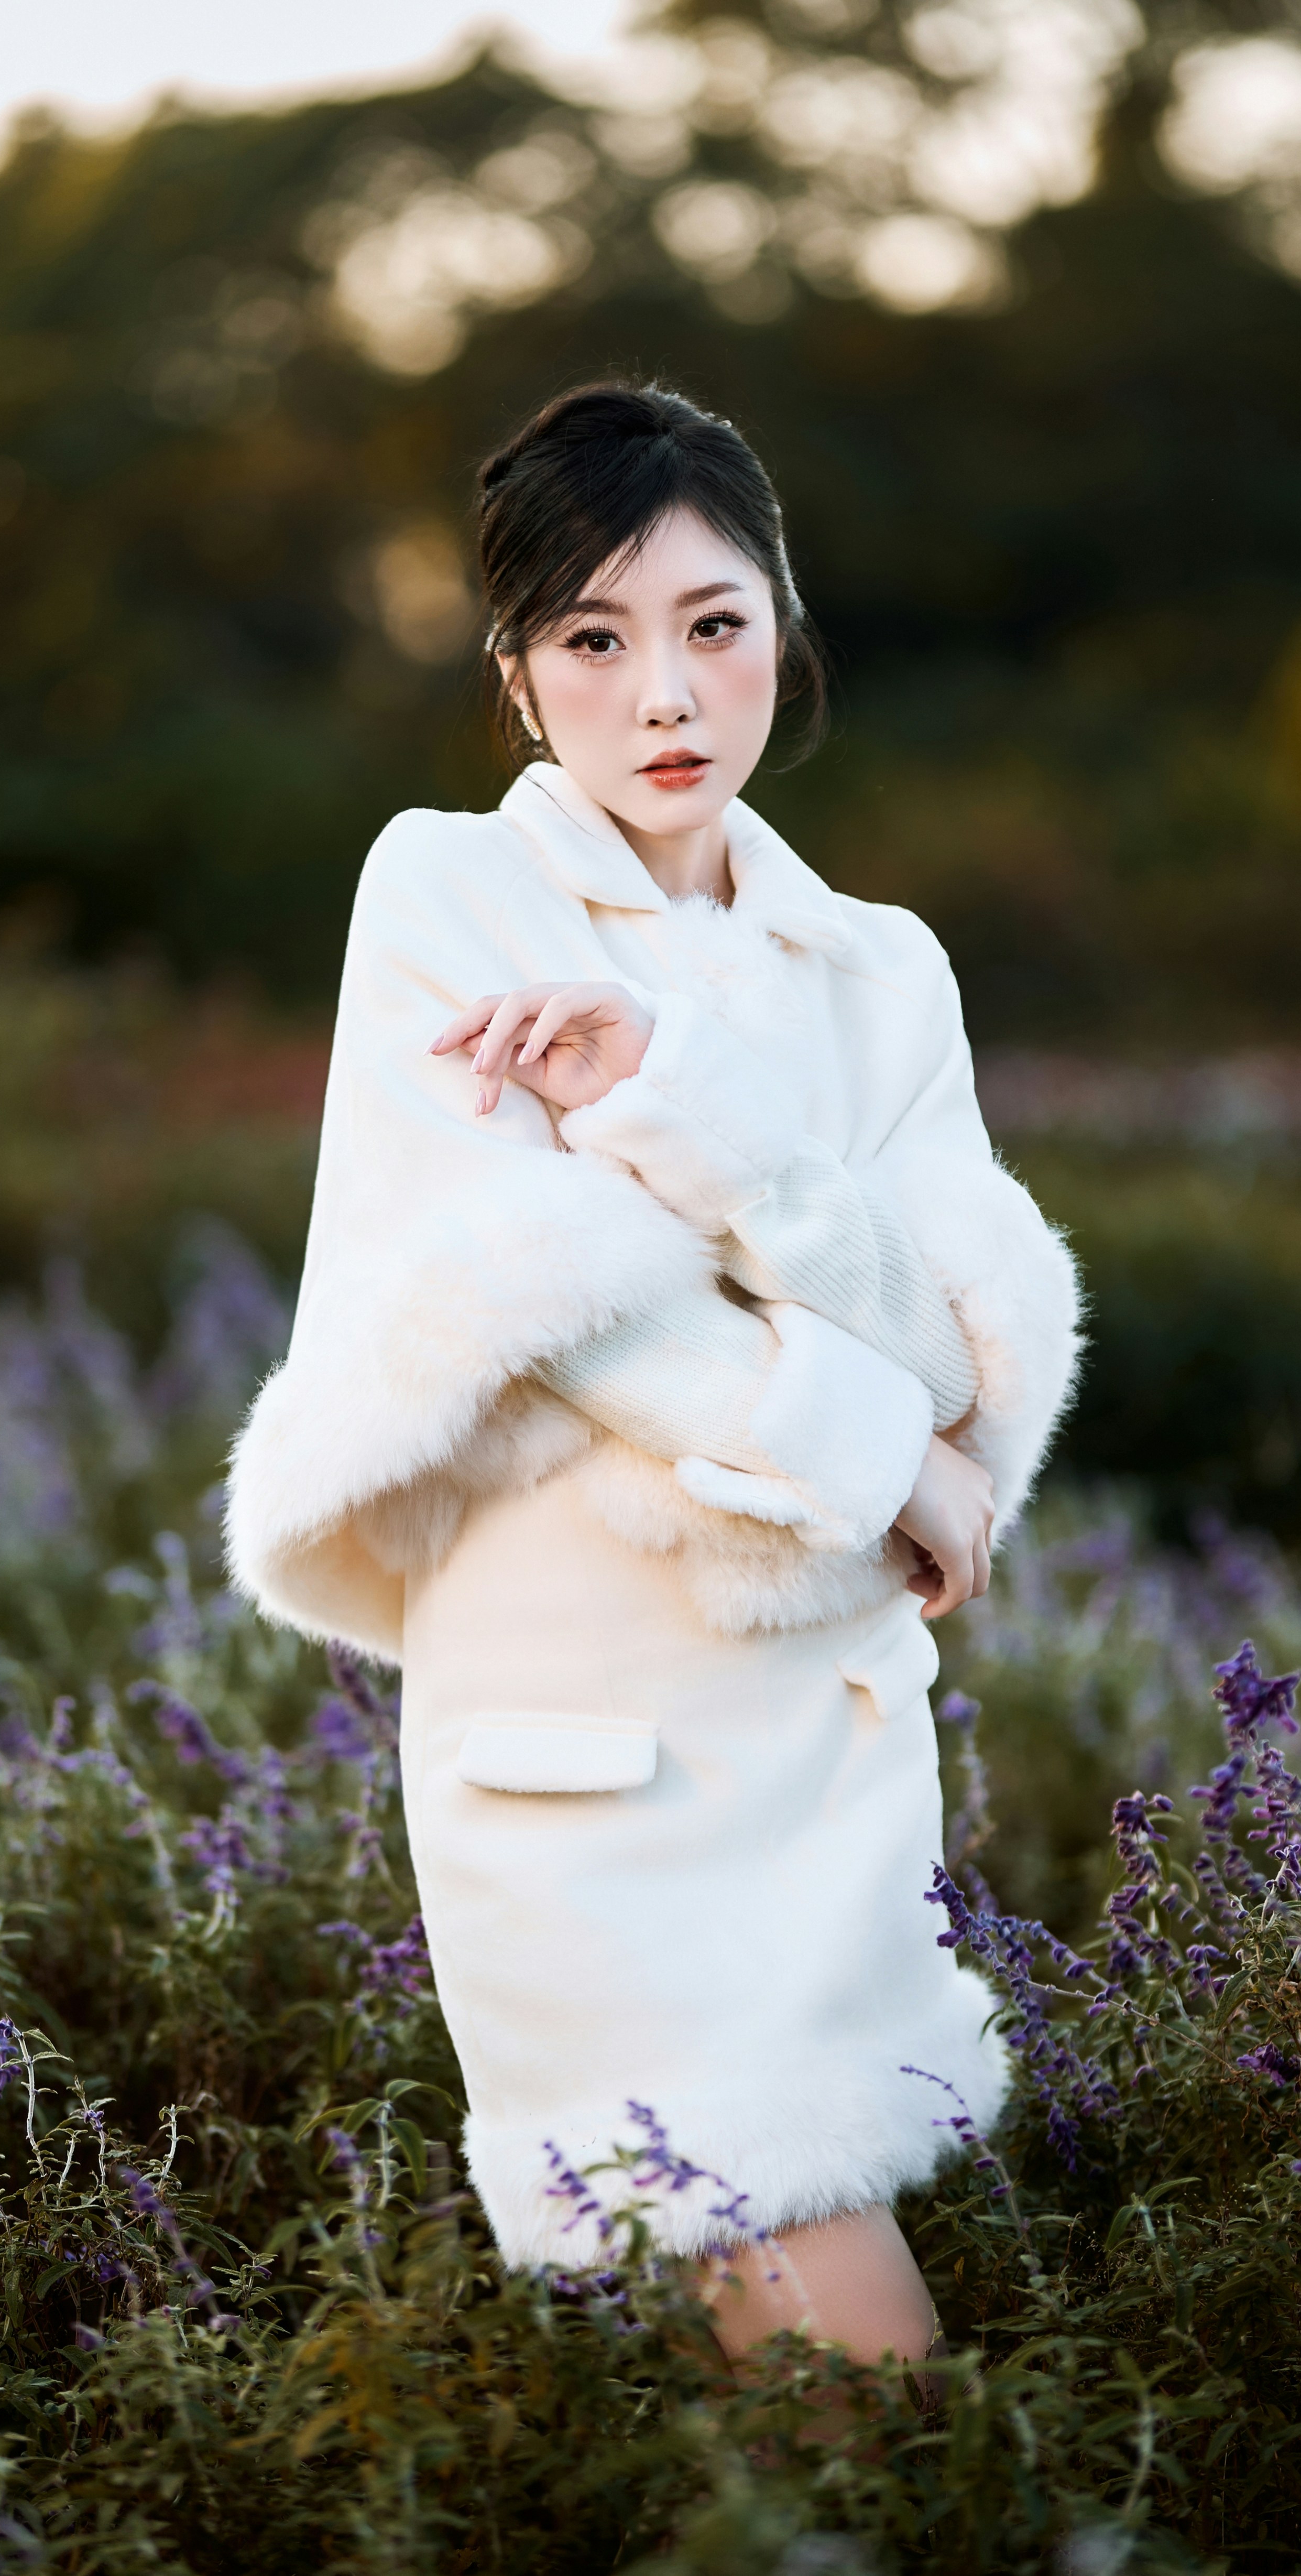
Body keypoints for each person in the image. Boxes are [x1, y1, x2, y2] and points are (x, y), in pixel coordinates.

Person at [226, 381, 1080, 2370]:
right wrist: (894, 1465)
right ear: (521, 680)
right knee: (860, 2364)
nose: (665, 693)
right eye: (593, 640)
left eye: (711, 621)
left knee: (799, 2411)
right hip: (591, 1742)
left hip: (828, 1739)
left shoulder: (879, 969)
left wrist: (674, 1113)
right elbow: (558, 1314)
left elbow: (933, 1334)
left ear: (783, 618)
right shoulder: (446, 888)